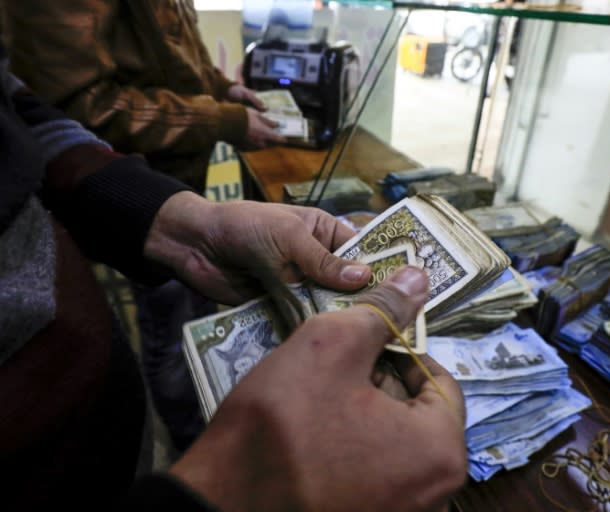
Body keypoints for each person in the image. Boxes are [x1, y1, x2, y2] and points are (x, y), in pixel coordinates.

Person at [0, 41, 467, 510]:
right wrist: (229, 491)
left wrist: (181, 221)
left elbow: (21, 118)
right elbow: (77, 104)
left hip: (106, 443)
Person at [2, 0, 288, 451]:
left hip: (163, 187)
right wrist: (222, 120)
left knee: (191, 315)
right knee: (174, 334)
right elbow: (79, 105)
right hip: (135, 184)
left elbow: (175, 54)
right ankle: (193, 440)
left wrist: (222, 90)